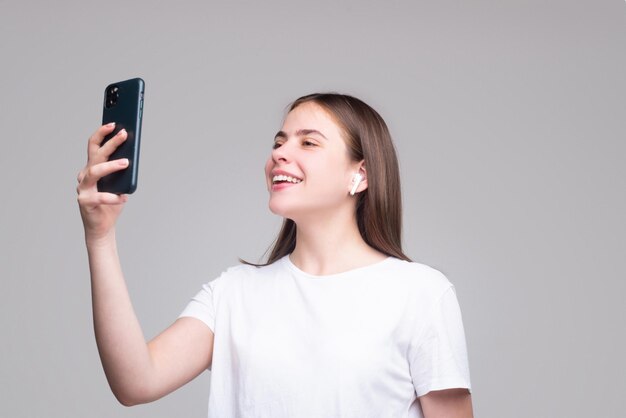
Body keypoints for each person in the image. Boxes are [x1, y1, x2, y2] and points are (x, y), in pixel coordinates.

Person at [77, 93, 473, 418]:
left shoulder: (421, 293)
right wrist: (101, 237)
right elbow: (135, 381)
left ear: (362, 174)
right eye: (278, 142)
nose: (280, 154)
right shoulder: (233, 293)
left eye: (309, 142)